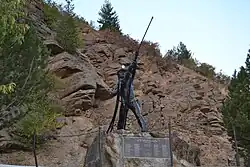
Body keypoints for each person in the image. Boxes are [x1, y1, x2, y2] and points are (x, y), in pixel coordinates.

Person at [109, 63, 148, 132]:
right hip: (124, 102)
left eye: (123, 73)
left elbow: (127, 74)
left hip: (132, 100)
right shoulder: (118, 84)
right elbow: (114, 92)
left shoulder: (128, 80)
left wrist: (131, 67)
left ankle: (144, 129)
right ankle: (120, 129)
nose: (122, 74)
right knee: (122, 117)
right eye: (120, 73)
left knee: (138, 115)